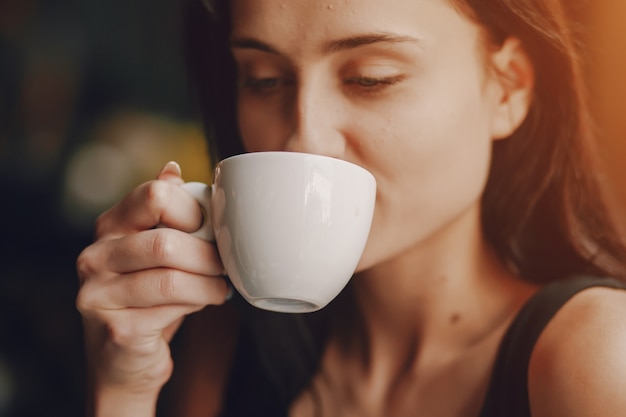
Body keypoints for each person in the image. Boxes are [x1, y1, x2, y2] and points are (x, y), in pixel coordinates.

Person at [76, 0, 626, 416]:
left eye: (371, 79)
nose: (303, 140)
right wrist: (124, 389)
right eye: (264, 81)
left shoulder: (592, 359)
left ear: (506, 89)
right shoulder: (227, 339)